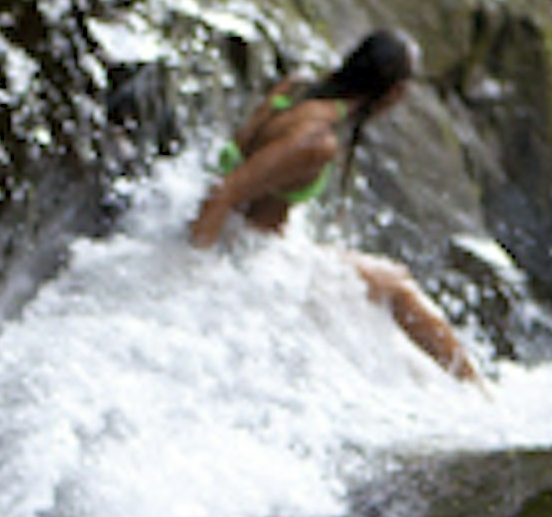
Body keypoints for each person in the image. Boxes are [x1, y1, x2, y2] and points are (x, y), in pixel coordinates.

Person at [187, 28, 485, 383]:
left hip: (250, 246)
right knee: (397, 285)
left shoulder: (294, 89)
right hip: (253, 259)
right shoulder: (316, 141)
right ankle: (481, 395)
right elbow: (224, 194)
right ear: (392, 92)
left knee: (388, 283)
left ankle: (464, 386)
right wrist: (193, 287)